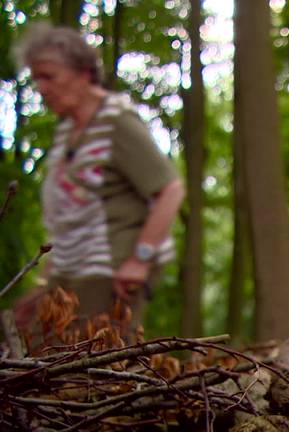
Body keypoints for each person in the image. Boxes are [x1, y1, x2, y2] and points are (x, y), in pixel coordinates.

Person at [12, 23, 185, 335]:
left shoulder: (116, 121)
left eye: (49, 76)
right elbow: (66, 216)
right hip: (69, 264)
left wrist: (140, 259)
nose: (41, 87)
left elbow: (169, 189)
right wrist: (43, 283)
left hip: (110, 266)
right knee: (37, 347)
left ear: (83, 73)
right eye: (36, 78)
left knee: (89, 360)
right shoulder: (67, 131)